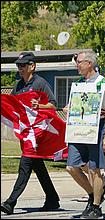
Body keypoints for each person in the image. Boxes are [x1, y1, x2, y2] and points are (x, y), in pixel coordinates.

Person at [1, 52, 60, 215]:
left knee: (25, 165)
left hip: (38, 133)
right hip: (26, 133)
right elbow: (11, 104)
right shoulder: (19, 85)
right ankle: (52, 199)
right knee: (37, 165)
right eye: (18, 66)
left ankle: (10, 202)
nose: (20, 68)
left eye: (23, 65)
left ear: (32, 66)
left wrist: (39, 106)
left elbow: (53, 105)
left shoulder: (40, 83)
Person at [65, 51, 105, 219]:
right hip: (78, 128)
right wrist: (69, 108)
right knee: (72, 167)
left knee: (95, 168)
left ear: (89, 63)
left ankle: (95, 206)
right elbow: (74, 105)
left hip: (96, 129)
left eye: (79, 62)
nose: (76, 65)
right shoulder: (78, 84)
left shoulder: (103, 83)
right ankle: (94, 195)